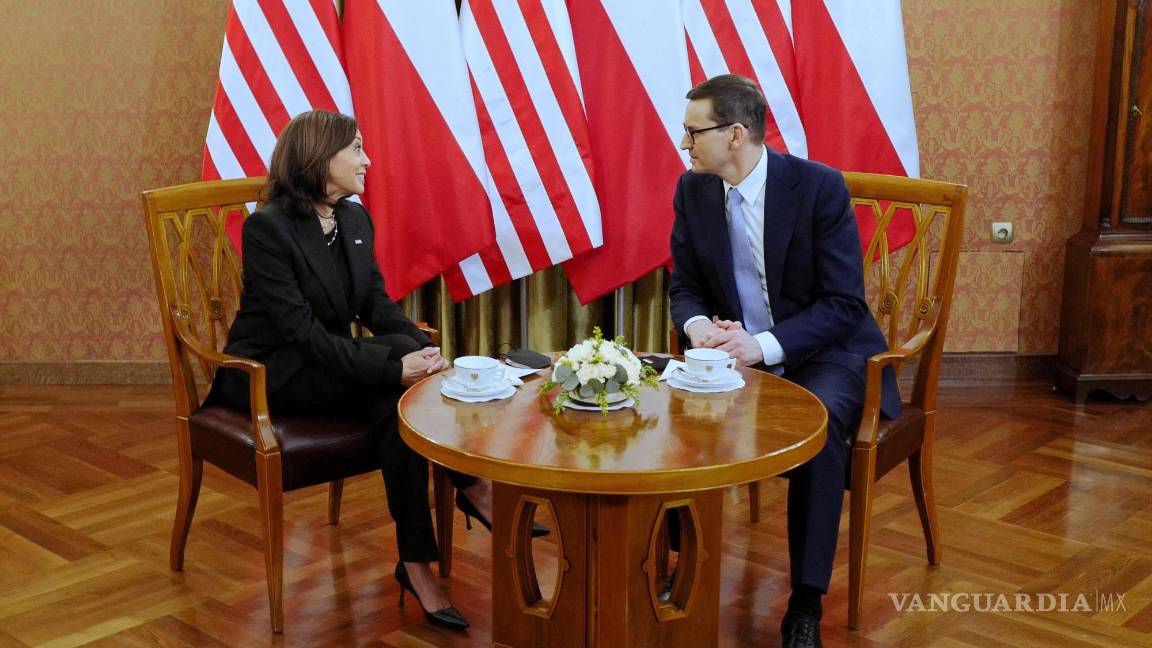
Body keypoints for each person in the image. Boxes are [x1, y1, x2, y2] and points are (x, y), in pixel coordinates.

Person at [213, 110, 491, 631]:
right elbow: (302, 334)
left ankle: (417, 560)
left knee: (405, 380)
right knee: (393, 387)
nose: (368, 160)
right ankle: (468, 492)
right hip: (269, 370)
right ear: (321, 157)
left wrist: (421, 349)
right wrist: (393, 368)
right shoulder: (268, 228)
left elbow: (374, 305)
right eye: (357, 149)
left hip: (325, 358)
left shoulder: (354, 218)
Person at [668, 75, 902, 648]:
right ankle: (677, 567)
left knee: (817, 428)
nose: (684, 143)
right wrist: (700, 329)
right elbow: (685, 287)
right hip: (736, 349)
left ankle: (805, 606)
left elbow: (845, 305)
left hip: (829, 350)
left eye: (694, 131)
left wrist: (762, 345)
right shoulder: (693, 190)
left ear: (736, 134)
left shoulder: (818, 189)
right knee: (666, 411)